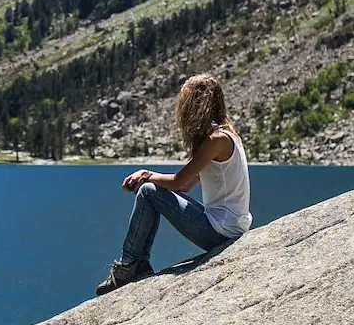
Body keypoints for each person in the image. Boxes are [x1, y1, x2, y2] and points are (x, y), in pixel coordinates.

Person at [96, 74, 252, 296]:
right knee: (152, 190)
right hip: (231, 226)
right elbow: (185, 185)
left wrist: (147, 175)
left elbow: (179, 182)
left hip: (222, 232)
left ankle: (130, 266)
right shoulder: (228, 135)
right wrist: (149, 176)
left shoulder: (216, 140)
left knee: (149, 192)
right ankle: (135, 263)